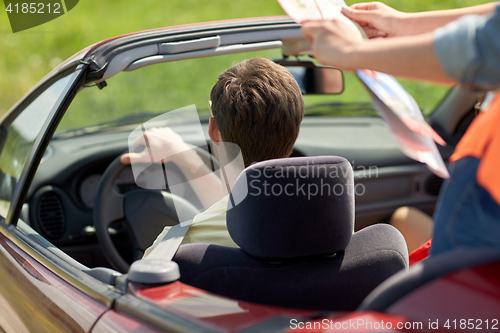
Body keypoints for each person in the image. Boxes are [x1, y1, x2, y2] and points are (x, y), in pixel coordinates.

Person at [302, 2, 500, 256]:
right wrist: (404, 25)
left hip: (490, 185)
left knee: (453, 291)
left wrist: (352, 51)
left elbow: (487, 47)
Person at [121, 57, 305, 256]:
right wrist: (184, 157)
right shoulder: (331, 224)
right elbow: (243, 204)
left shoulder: (177, 248)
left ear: (213, 130)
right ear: (296, 128)